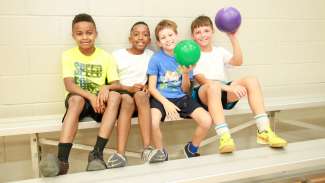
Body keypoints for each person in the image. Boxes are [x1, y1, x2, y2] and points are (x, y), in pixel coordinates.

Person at [190, 15, 287, 154]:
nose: (202, 35)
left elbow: (238, 61)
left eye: (206, 31)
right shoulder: (194, 54)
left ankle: (264, 130)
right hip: (203, 94)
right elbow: (201, 79)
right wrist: (229, 87)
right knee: (213, 86)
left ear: (212, 32)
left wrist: (233, 37)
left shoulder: (219, 51)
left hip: (222, 91)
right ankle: (225, 137)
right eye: (198, 32)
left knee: (251, 80)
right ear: (193, 36)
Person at [40, 13, 121, 176]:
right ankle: (62, 160)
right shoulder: (68, 55)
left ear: (96, 34)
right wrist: (90, 96)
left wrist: (106, 88)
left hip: (99, 103)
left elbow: (116, 85)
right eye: (79, 33)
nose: (85, 37)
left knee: (116, 96)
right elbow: (69, 85)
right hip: (78, 102)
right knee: (76, 99)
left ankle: (97, 154)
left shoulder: (106, 57)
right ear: (73, 35)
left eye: (89, 32)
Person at [147, 19, 213, 162]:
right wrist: (166, 103)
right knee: (153, 122)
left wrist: (185, 73)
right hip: (161, 98)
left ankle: (191, 149)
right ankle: (160, 152)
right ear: (158, 43)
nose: (168, 39)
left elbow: (186, 89)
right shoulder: (156, 59)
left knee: (207, 120)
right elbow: (151, 88)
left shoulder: (185, 56)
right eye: (163, 37)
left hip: (181, 98)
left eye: (170, 35)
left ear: (176, 35)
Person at [106, 21, 154, 168]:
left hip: (141, 97)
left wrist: (146, 87)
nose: (141, 37)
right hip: (123, 93)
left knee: (140, 96)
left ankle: (147, 148)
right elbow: (112, 83)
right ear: (130, 38)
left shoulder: (151, 55)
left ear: (149, 40)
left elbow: (154, 78)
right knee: (127, 99)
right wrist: (129, 89)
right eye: (136, 34)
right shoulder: (117, 55)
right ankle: (121, 153)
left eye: (145, 34)